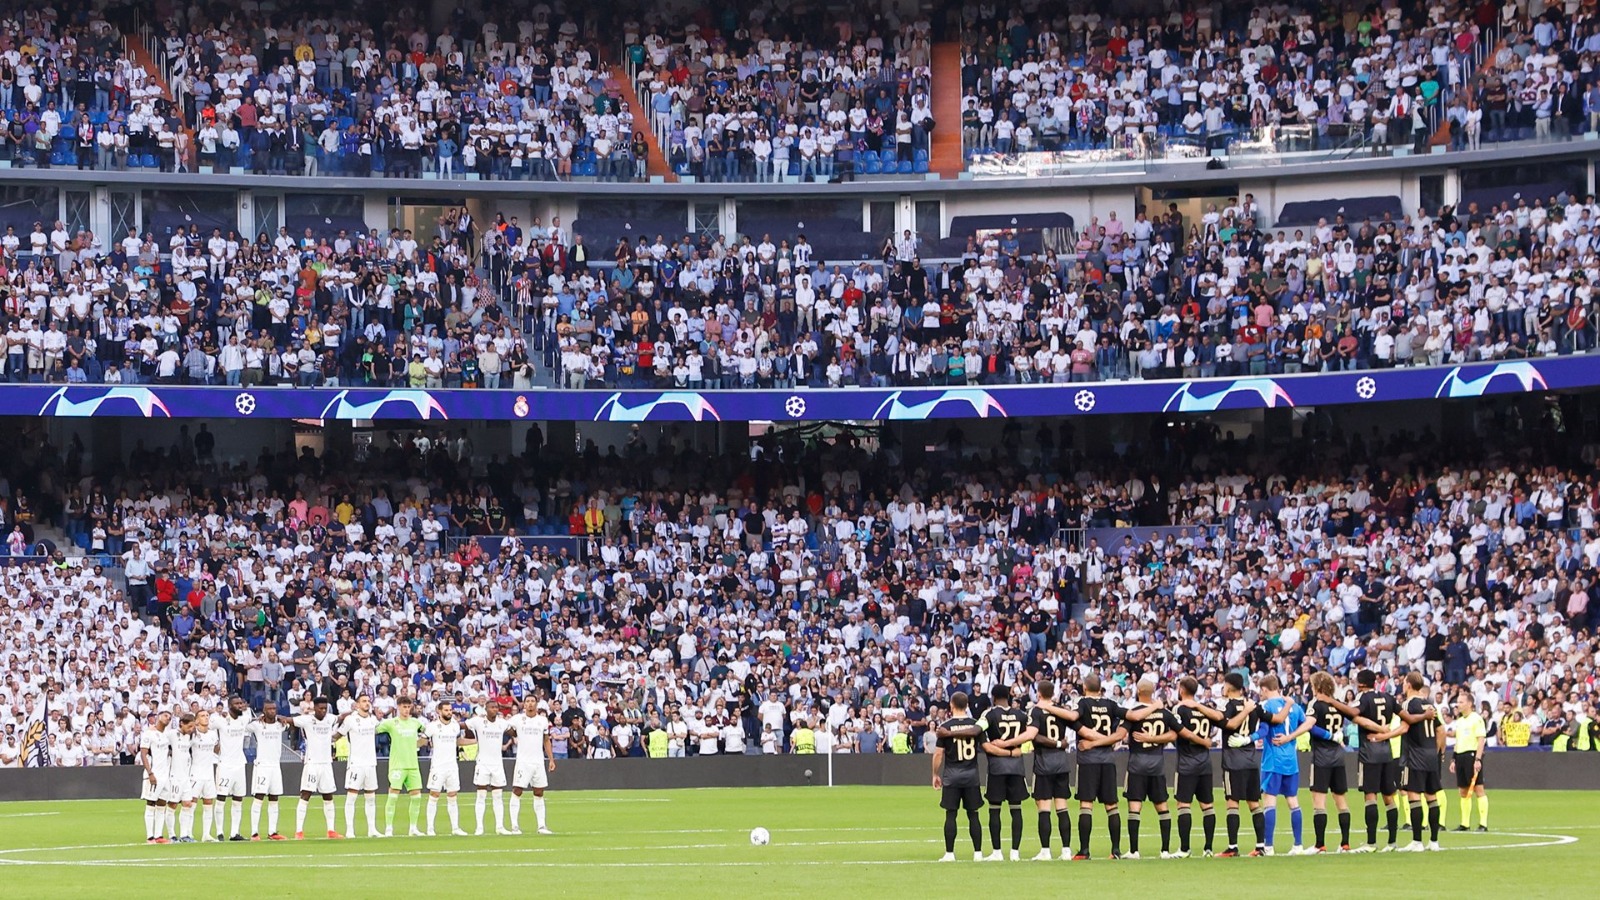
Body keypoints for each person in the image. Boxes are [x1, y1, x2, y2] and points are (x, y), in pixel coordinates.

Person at [1122, 676, 1181, 858]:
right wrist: (1156, 739)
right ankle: (1164, 850)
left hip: (1137, 765)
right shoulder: (1164, 713)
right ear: (1152, 691)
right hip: (1157, 764)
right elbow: (1174, 735)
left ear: (1138, 692)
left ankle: (1134, 851)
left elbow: (1122, 735)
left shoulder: (1132, 712)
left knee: (1134, 807)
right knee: (1162, 806)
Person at [1070, 673, 1127, 859]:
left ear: (1085, 688)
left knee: (1086, 805)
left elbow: (1073, 718)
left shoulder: (1082, 703)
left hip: (1088, 760)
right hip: (1108, 760)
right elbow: (1127, 717)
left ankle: (1085, 850)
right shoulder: (1110, 704)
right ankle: (1116, 850)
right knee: (1112, 806)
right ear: (1100, 688)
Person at [1019, 680, 1076, 860]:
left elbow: (1035, 736)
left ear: (1039, 694)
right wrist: (1061, 743)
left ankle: (1045, 850)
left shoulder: (1035, 711)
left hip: (1044, 763)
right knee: (1062, 807)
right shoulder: (1060, 710)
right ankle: (1066, 850)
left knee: (1044, 808)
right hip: (1061, 762)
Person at [977, 684, 1030, 861]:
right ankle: (1015, 852)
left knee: (995, 810)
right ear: (1009, 696)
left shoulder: (989, 714)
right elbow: (1030, 734)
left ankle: (997, 852)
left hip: (997, 768)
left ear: (993, 697)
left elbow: (979, 732)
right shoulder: (1021, 715)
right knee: (1016, 810)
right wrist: (1014, 749)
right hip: (1016, 766)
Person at [932, 690, 984, 862]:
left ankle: (949, 853)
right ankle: (978, 853)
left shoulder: (945, 726)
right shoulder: (975, 724)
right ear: (967, 705)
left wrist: (935, 774)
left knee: (951, 814)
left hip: (952, 776)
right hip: (971, 775)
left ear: (951, 705)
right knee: (973, 814)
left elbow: (938, 754)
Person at [1397, 671, 1446, 852]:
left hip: (1414, 754)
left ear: (1409, 685)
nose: (1403, 685)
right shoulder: (1429, 704)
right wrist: (1439, 753)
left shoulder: (1408, 704)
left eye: (1404, 682)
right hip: (1430, 754)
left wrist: (1383, 735)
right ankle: (1434, 841)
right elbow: (1441, 731)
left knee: (1414, 795)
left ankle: (1417, 841)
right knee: (1431, 797)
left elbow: (1404, 728)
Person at [1218, 672, 1266, 856]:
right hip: (1251, 760)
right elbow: (1271, 721)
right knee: (1254, 803)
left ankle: (1232, 847)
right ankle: (1260, 846)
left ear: (1229, 687)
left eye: (1224, 685)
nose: (1222, 688)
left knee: (1232, 802)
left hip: (1233, 761)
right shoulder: (1253, 705)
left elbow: (1227, 724)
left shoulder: (1229, 705)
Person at [1259, 674, 1307, 854]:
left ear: (1264, 689)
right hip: (1291, 760)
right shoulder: (1295, 707)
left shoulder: (1267, 706)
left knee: (1269, 801)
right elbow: (1307, 725)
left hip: (1273, 761)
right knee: (1293, 801)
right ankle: (1298, 844)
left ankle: (1268, 846)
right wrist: (1290, 737)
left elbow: (1264, 729)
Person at [1172, 676, 1220, 857]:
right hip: (1205, 763)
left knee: (1183, 805)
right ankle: (1208, 848)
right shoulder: (1205, 709)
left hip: (1186, 763)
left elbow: (1179, 731)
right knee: (1207, 805)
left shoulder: (1180, 708)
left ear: (1182, 689)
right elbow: (1219, 721)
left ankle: (1185, 848)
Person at [1306, 672, 1353, 852]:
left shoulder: (1316, 704)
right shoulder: (1338, 704)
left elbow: (1311, 727)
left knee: (1319, 801)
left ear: (1317, 687)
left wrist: (1329, 736)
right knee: (1341, 800)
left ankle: (1320, 844)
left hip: (1321, 756)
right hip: (1338, 756)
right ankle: (1345, 843)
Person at [291, 696, 343, 840]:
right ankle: (299, 831)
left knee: (328, 796)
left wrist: (352, 712)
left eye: (325, 708)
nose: (323, 711)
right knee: (306, 795)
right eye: (320, 708)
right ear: (314, 708)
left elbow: (340, 717)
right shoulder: (306, 719)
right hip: (312, 763)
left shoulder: (330, 719)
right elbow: (290, 720)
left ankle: (331, 830)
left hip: (326, 763)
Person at [377, 696, 427, 836]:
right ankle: (388, 828)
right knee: (393, 796)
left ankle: (413, 828)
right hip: (397, 765)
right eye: (404, 707)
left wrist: (420, 743)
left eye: (408, 707)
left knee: (416, 797)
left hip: (413, 765)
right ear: (398, 707)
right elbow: (374, 730)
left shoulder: (415, 723)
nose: (406, 710)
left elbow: (427, 733)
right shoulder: (391, 723)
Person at [507, 697, 555, 835]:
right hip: (523, 761)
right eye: (527, 701)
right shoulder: (517, 719)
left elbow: (546, 740)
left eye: (532, 701)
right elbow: (505, 728)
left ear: (536, 704)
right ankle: (514, 826)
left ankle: (541, 826)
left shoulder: (542, 720)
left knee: (539, 792)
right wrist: (512, 733)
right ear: (524, 704)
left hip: (538, 761)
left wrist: (551, 759)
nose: (530, 704)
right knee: (517, 790)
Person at [337, 695, 383, 838]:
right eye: (364, 701)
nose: (367, 703)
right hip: (356, 764)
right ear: (357, 705)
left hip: (370, 763)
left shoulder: (373, 719)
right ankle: (350, 830)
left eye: (368, 701)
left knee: (371, 797)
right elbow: (338, 735)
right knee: (352, 797)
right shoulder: (350, 719)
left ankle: (372, 829)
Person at [465, 702, 512, 835]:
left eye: (496, 707)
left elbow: (514, 731)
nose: (494, 709)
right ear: (486, 709)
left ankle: (500, 827)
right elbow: (462, 725)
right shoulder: (478, 721)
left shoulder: (502, 723)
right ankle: (479, 827)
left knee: (498, 796)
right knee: (481, 795)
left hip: (497, 764)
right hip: (482, 763)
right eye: (492, 707)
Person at [424, 702, 470, 836]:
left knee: (452, 795)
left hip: (452, 766)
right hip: (438, 766)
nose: (449, 712)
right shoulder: (432, 726)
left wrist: (475, 742)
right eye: (446, 710)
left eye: (450, 710)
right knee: (434, 795)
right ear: (439, 711)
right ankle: (430, 828)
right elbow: (423, 740)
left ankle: (455, 828)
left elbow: (458, 741)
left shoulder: (455, 726)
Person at [1447, 692, 1489, 832]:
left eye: (1461, 702)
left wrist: (1478, 759)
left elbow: (1481, 740)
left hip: (1471, 756)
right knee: (1463, 791)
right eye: (1457, 702)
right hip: (1460, 756)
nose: (1458, 704)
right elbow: (1458, 741)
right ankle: (1464, 823)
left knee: (1478, 789)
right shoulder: (1459, 721)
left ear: (1469, 704)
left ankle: (1483, 824)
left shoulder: (1476, 719)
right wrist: (1453, 759)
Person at [247, 700, 288, 840]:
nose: (272, 711)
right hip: (262, 765)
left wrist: (283, 718)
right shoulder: (257, 725)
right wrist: (254, 717)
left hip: (276, 766)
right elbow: (244, 725)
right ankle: (254, 833)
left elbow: (291, 725)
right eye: (269, 709)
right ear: (263, 710)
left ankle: (272, 832)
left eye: (274, 709)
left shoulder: (280, 725)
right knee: (259, 797)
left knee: (274, 797)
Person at [214, 696, 252, 841]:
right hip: (225, 764)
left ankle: (234, 833)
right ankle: (219, 832)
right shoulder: (221, 721)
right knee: (221, 798)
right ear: (229, 706)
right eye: (236, 704)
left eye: (241, 703)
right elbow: (206, 727)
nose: (240, 705)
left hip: (240, 764)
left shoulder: (245, 718)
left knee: (238, 799)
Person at [139, 710, 174, 843]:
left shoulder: (166, 735)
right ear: (158, 717)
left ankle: (158, 835)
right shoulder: (149, 734)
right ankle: (149, 837)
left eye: (170, 717)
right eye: (165, 716)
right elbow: (143, 754)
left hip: (165, 776)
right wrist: (150, 773)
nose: (167, 719)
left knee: (161, 804)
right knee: (150, 803)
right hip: (154, 774)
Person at [191, 710, 222, 842]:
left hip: (209, 773)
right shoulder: (193, 734)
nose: (206, 718)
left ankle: (206, 834)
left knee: (208, 803)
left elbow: (216, 749)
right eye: (202, 716)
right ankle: (187, 833)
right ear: (197, 720)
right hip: (195, 773)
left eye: (207, 716)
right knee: (190, 804)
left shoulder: (213, 734)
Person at [169, 713, 198, 842]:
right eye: (190, 726)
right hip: (174, 776)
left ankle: (184, 834)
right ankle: (171, 835)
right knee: (172, 805)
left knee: (187, 804)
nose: (192, 729)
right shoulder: (172, 735)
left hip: (186, 776)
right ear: (181, 723)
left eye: (193, 726)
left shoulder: (189, 737)